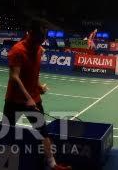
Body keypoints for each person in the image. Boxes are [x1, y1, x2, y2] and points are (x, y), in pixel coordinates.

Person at [4, 20, 71, 170]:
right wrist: (27, 98)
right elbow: (14, 77)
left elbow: (32, 74)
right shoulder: (17, 50)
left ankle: (53, 165)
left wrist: (38, 86)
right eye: (40, 37)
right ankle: (4, 162)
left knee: (43, 132)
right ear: (31, 33)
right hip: (14, 100)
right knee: (7, 132)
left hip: (33, 98)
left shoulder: (40, 49)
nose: (42, 40)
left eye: (44, 37)